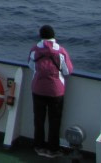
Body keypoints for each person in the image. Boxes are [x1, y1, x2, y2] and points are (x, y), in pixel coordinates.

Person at [28, 25, 74, 158]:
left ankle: (39, 146)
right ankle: (53, 149)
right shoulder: (60, 51)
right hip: (56, 91)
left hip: (37, 89)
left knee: (39, 119)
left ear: (40, 36)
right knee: (54, 121)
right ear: (54, 35)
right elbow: (68, 71)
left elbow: (31, 65)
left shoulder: (35, 50)